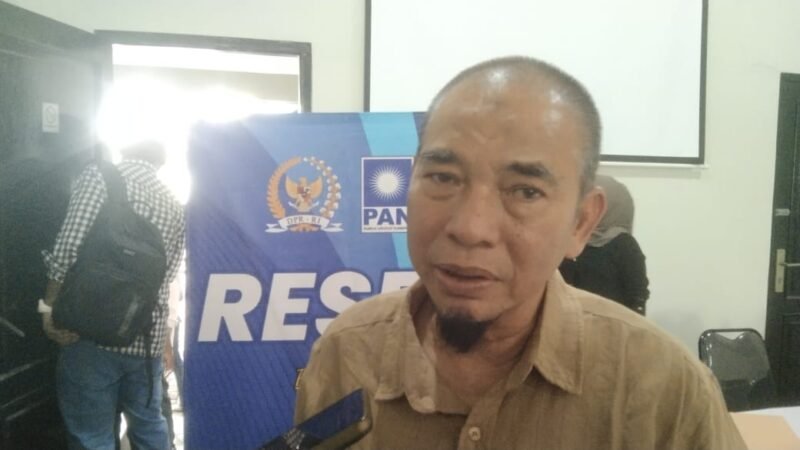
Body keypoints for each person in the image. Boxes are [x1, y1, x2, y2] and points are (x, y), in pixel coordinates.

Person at [294, 56, 745, 449]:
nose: (470, 228)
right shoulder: (346, 354)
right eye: (443, 177)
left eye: (525, 191)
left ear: (581, 223)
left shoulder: (663, 388)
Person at [40, 140, 186, 450]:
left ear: (125, 150)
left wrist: (49, 308)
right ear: (161, 161)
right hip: (145, 336)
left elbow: (68, 248)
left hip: (90, 333)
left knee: (91, 436)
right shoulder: (174, 204)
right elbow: (168, 274)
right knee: (150, 427)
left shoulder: (100, 178)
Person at [559, 174, 650, 314]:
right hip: (570, 319)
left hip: (612, 322)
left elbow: (638, 294)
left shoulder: (623, 244)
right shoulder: (570, 239)